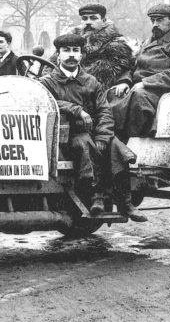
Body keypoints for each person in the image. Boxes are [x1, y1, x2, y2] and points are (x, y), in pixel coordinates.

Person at [39, 33, 146, 221]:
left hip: (93, 132)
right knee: (84, 144)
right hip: (67, 135)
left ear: (81, 55)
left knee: (117, 150)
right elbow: (46, 102)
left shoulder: (91, 81)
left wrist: (103, 137)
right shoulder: (48, 82)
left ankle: (125, 203)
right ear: (58, 55)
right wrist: (76, 109)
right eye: (66, 51)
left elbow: (104, 111)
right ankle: (96, 196)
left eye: (75, 51)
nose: (71, 55)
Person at [112, 3, 170, 138]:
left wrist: (145, 82)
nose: (155, 24)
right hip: (138, 88)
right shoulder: (147, 42)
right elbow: (133, 66)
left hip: (161, 92)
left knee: (139, 97)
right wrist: (125, 81)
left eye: (160, 20)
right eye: (153, 20)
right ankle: (110, 138)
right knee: (112, 93)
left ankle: (129, 140)